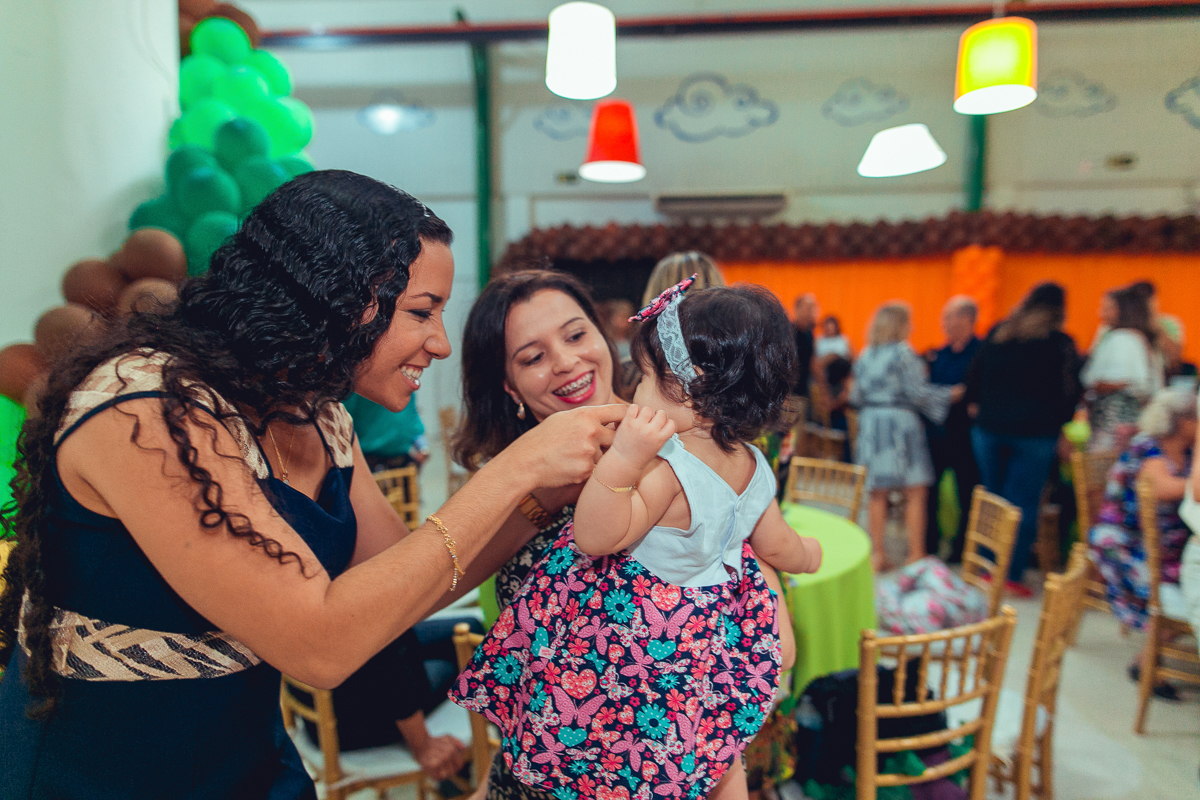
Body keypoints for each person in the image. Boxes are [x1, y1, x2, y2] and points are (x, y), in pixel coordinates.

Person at [0, 172, 625, 800]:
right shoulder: (148, 409)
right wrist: (517, 467)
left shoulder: (318, 416)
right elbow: (322, 648)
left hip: (246, 754)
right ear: (332, 298)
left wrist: (552, 494)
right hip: (106, 771)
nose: (438, 342)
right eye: (421, 312)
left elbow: (413, 581)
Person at [451, 280, 821, 800]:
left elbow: (751, 594)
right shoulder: (502, 488)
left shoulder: (680, 457)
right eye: (533, 356)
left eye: (576, 334)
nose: (564, 362)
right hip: (558, 758)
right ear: (509, 387)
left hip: (664, 753)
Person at [964, 282, 1082, 597]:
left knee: (993, 499)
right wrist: (1063, 426)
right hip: (1034, 435)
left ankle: (985, 565)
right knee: (1023, 506)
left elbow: (973, 376)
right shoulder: (1059, 344)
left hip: (989, 428)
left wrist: (980, 406)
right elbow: (1069, 391)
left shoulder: (1000, 333)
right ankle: (1010, 575)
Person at [1089, 389, 1196, 697]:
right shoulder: (1148, 449)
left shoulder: (1186, 451)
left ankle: (1147, 659)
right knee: (1186, 582)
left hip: (1167, 541)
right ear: (1182, 421)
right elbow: (1165, 489)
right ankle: (1149, 659)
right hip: (1128, 541)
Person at [850, 302, 957, 572]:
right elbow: (918, 393)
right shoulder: (903, 353)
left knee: (877, 492)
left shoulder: (865, 355)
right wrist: (949, 395)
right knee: (916, 489)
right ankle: (916, 555)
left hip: (872, 424)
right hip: (900, 425)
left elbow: (856, 397)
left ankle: (878, 554)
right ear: (901, 325)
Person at [924, 296, 982, 563]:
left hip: (966, 434)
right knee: (930, 490)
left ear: (967, 320)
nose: (944, 323)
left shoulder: (981, 354)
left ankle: (962, 549)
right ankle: (929, 545)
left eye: (949, 317)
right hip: (936, 433)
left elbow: (973, 393)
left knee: (967, 492)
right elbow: (929, 392)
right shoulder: (939, 355)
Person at [1083, 285, 1164, 452]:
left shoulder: (1121, 339)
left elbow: (1121, 381)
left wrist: (1096, 386)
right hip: (1136, 426)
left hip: (1113, 429)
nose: (1101, 313)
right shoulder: (1142, 339)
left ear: (1123, 310)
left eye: (1108, 308)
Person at [343, 391, 430, 471]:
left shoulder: (405, 386)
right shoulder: (357, 390)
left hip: (401, 458)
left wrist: (423, 447)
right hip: (369, 461)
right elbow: (344, 420)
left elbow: (412, 420)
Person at [791, 293, 819, 400]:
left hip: (803, 391)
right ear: (797, 309)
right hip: (789, 395)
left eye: (813, 308)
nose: (812, 312)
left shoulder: (809, 334)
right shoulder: (788, 332)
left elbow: (812, 361)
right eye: (808, 308)